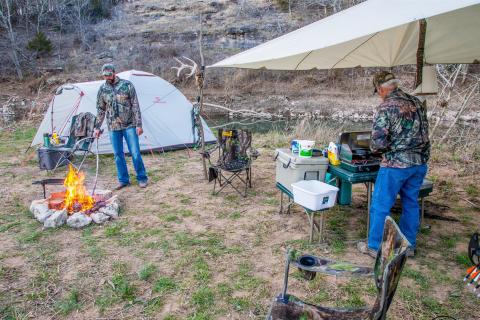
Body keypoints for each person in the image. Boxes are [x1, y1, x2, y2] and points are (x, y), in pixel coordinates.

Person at [358, 71, 430, 258]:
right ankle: (408, 246)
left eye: (378, 91)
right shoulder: (416, 102)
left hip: (395, 165)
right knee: (411, 203)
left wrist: (379, 150)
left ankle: (374, 247)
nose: (379, 95)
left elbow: (377, 144)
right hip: (419, 163)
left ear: (382, 88)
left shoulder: (386, 107)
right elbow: (424, 132)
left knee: (381, 205)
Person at [94, 63, 148, 189]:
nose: (107, 77)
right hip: (113, 127)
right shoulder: (102, 90)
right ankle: (123, 180)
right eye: (104, 75)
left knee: (135, 153)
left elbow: (135, 106)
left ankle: (142, 178)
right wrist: (97, 127)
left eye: (109, 74)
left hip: (129, 125)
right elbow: (100, 110)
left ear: (114, 73)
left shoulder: (127, 85)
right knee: (118, 154)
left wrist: (139, 125)